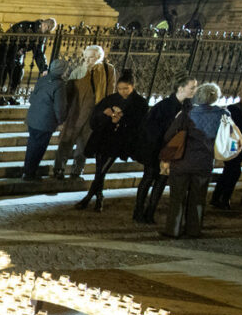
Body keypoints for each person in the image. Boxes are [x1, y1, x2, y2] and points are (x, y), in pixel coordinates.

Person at [161, 83, 227, 239]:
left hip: (182, 161)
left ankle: (173, 229)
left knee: (177, 197)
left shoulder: (187, 113)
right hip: (204, 163)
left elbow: (169, 134)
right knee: (198, 199)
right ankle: (194, 229)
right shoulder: (223, 114)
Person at [76, 69, 147, 211]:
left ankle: (89, 198)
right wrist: (106, 114)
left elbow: (139, 124)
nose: (123, 92)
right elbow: (96, 116)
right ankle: (99, 198)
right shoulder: (111, 98)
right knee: (99, 171)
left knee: (101, 171)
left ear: (133, 86)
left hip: (119, 142)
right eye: (120, 89)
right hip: (103, 138)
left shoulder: (140, 103)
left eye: (126, 89)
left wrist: (121, 119)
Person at [134, 76, 196, 223]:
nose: (195, 90)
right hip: (155, 150)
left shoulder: (188, 107)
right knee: (148, 179)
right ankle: (138, 211)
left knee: (161, 181)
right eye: (192, 87)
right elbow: (149, 129)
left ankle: (150, 212)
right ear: (180, 88)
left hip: (172, 151)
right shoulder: (164, 106)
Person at [55, 45, 116, 180]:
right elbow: (68, 95)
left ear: (99, 57)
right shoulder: (78, 72)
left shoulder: (107, 70)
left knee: (84, 144)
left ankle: (77, 170)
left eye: (92, 57)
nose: (88, 61)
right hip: (75, 113)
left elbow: (110, 91)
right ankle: (59, 169)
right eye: (86, 58)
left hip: (94, 114)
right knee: (66, 141)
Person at [21, 59, 69, 180]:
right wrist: (61, 120)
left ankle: (27, 171)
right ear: (63, 70)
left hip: (33, 117)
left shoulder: (42, 79)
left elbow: (32, 98)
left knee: (32, 145)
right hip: (45, 122)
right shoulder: (60, 84)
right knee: (39, 148)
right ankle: (30, 173)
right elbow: (60, 107)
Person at [0, 17, 55, 106]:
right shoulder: (25, 26)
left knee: (18, 73)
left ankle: (9, 95)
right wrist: (19, 50)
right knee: (1, 75)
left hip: (15, 55)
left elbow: (39, 53)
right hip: (3, 50)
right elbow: (10, 39)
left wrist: (44, 69)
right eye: (47, 28)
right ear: (43, 24)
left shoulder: (40, 36)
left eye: (49, 30)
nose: (47, 32)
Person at [210, 87, 242, 210]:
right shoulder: (232, 109)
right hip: (232, 145)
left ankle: (217, 198)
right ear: (241, 94)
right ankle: (224, 199)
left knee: (229, 171)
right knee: (234, 171)